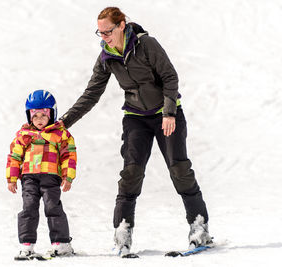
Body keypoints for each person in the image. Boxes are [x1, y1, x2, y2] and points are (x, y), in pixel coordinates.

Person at [59, 7, 212, 256]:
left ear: (121, 25)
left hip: (166, 115)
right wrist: (65, 121)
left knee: (179, 168)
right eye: (100, 32)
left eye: (108, 31)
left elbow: (170, 77)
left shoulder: (147, 44)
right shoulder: (106, 56)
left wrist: (169, 112)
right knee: (131, 172)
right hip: (135, 118)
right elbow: (92, 93)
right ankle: (123, 231)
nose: (104, 36)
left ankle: (199, 226)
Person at [6, 89, 77, 258]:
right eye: (35, 116)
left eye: (43, 116)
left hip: (51, 177)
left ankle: (61, 243)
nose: (39, 120)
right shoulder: (24, 135)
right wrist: (12, 178)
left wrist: (68, 177)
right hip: (29, 178)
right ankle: (27, 245)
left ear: (52, 115)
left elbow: (69, 155)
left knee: (52, 206)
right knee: (28, 208)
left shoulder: (60, 134)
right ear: (29, 116)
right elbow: (14, 156)